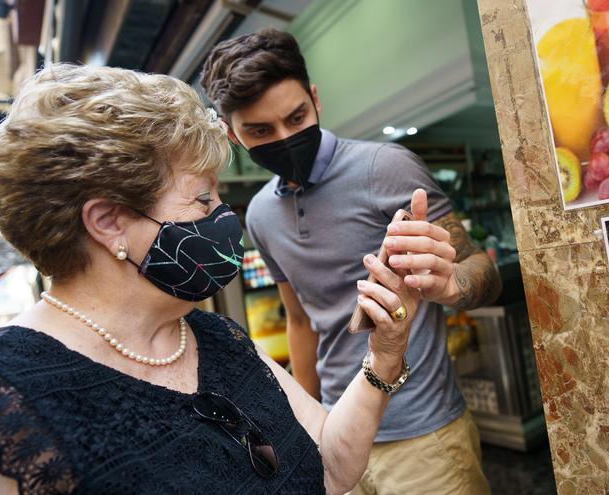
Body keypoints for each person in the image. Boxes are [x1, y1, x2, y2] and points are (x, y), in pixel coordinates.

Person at [0, 63, 422, 494]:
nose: (223, 214)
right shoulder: (13, 394)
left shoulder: (215, 335)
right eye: (202, 198)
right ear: (108, 222)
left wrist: (384, 353)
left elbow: (331, 468)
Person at [200, 28, 502, 494]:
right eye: (260, 131)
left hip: (424, 436)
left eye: (296, 116)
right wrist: (308, 428)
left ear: (315, 99)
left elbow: (482, 270)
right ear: (232, 134)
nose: (284, 137)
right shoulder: (259, 214)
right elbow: (300, 323)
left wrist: (452, 285)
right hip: (337, 436)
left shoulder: (385, 166)